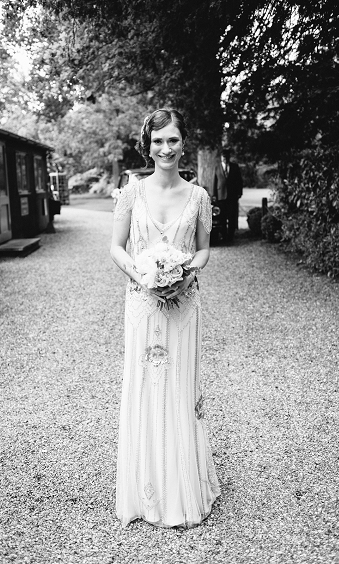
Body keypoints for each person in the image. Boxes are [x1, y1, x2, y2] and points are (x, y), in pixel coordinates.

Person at [110, 108, 220, 528]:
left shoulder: (199, 197)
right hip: (141, 305)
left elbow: (205, 249)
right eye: (158, 141)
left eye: (173, 140)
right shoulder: (130, 193)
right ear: (147, 145)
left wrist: (186, 270)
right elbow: (116, 247)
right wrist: (142, 274)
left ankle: (182, 489)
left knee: (179, 389)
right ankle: (145, 491)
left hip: (184, 305)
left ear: (183, 143)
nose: (166, 148)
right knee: (144, 387)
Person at [215, 148, 243, 241]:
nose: (225, 158)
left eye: (226, 156)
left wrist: (239, 193)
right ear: (221, 157)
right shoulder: (217, 167)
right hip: (221, 196)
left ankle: (230, 236)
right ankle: (224, 235)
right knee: (222, 217)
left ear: (229, 157)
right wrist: (214, 196)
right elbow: (214, 182)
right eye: (223, 156)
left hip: (232, 196)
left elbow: (239, 181)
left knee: (232, 217)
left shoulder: (235, 167)